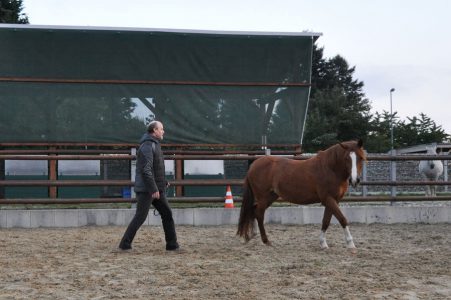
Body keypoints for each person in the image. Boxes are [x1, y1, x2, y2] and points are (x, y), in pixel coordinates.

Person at [119, 121, 180, 251]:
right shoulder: (147, 146)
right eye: (161, 129)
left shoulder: (154, 145)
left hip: (156, 188)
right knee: (140, 217)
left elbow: (155, 169)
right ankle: (124, 244)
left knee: (167, 214)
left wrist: (163, 182)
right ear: (154, 130)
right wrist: (153, 189)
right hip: (148, 190)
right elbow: (146, 170)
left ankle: (172, 244)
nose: (163, 131)